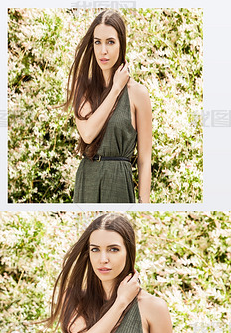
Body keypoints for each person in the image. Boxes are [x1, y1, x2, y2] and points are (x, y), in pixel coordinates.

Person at [62, 10, 152, 203]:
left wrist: (145, 205)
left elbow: (145, 160)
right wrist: (116, 88)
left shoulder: (138, 94)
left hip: (119, 181)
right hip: (88, 179)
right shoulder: (83, 88)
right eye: (97, 42)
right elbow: (88, 134)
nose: (103, 50)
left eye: (110, 42)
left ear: (121, 44)